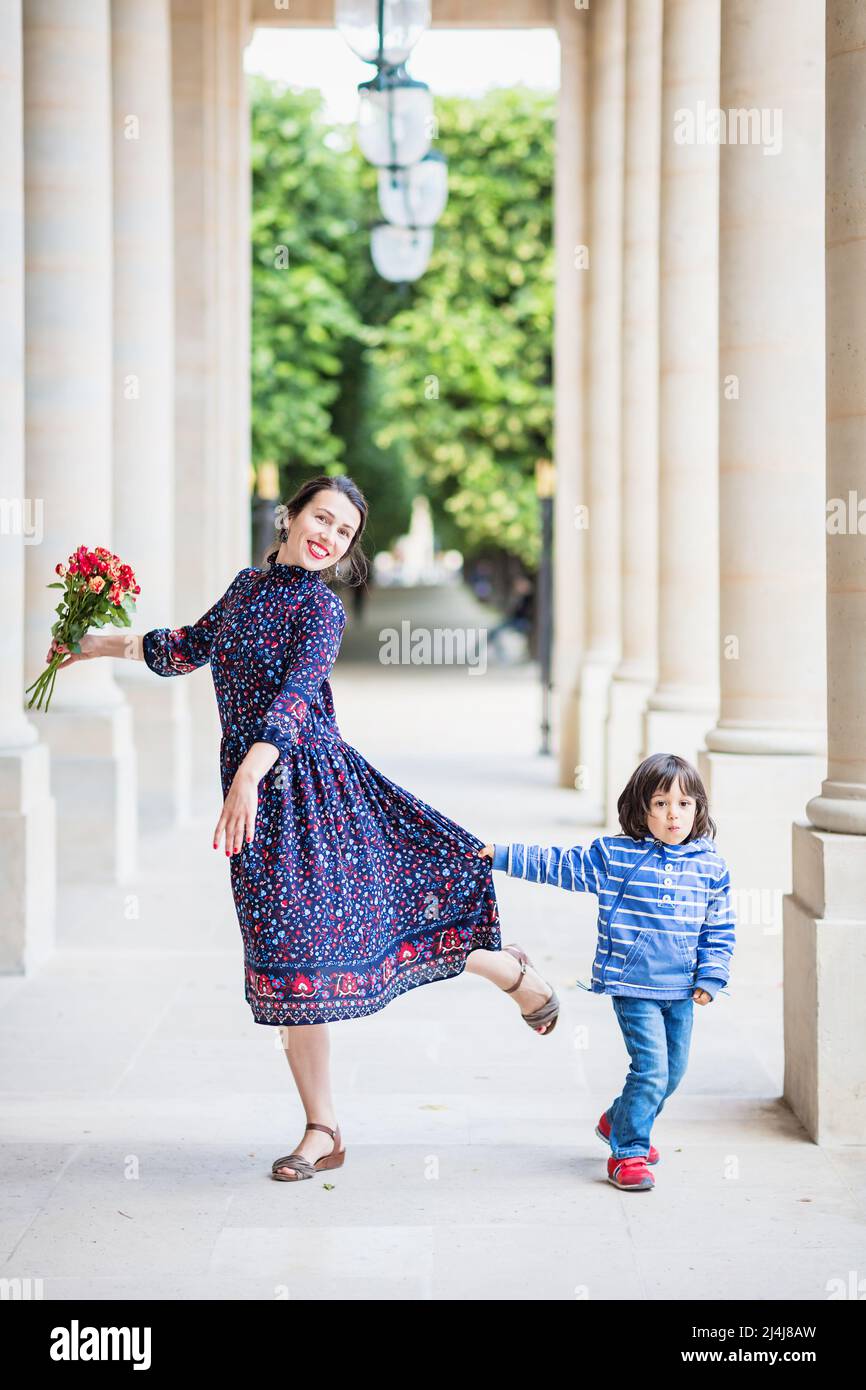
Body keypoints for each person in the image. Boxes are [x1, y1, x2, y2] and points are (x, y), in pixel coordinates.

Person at [46, 475, 559, 1183]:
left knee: (386, 915)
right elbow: (186, 647)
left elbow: (291, 703)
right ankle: (325, 1128)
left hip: (316, 792)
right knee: (288, 962)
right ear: (290, 517)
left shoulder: (321, 609)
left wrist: (249, 776)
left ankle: (511, 971)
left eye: (343, 532)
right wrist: (98, 645)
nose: (328, 536)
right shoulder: (244, 589)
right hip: (257, 805)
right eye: (321, 518)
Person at [477, 753, 736, 1193]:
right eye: (660, 804)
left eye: (684, 804)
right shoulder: (616, 857)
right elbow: (558, 864)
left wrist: (712, 976)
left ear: (699, 809)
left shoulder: (710, 865)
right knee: (651, 1070)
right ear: (641, 808)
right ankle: (628, 1152)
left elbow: (719, 925)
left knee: (674, 1073)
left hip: (682, 989)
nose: (673, 814)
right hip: (632, 984)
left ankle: (617, 1119)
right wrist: (503, 856)